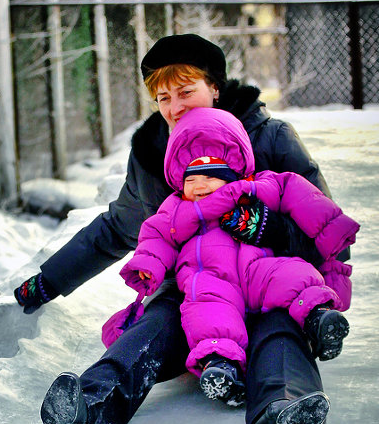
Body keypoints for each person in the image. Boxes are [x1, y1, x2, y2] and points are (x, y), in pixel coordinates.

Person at [13, 33, 354, 424]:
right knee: (150, 329)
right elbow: (117, 228)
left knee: (279, 331)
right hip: (197, 290)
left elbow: (325, 225)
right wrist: (48, 280)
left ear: (215, 87)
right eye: (163, 97)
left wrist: (271, 231)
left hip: (270, 282)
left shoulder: (270, 139)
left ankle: (283, 410)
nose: (175, 107)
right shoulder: (156, 156)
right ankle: (86, 413)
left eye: (186, 91)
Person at [114, 106, 358, 406]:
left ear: (231, 175)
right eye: (190, 180)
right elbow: (157, 235)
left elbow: (299, 195)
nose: (199, 185)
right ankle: (220, 366)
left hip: (257, 269)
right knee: (207, 312)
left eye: (208, 176)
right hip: (211, 278)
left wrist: (332, 229)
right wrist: (147, 265)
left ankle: (319, 319)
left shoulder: (258, 186)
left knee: (293, 275)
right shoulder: (177, 208)